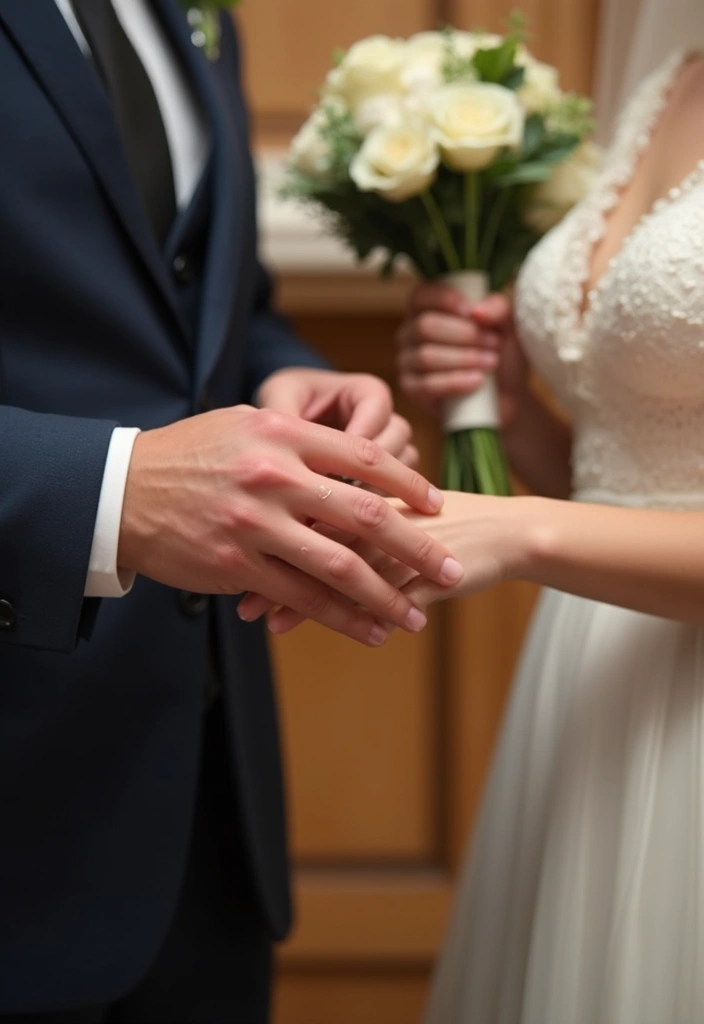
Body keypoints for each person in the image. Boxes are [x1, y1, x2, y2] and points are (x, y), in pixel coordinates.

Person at [0, 2, 465, 1022]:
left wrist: (290, 385)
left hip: (206, 827)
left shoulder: (196, 14)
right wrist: (114, 490)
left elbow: (209, 304)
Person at [391, 3, 704, 1020]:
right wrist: (513, 416)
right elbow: (628, 472)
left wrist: (517, 531)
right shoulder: (673, 71)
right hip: (589, 696)